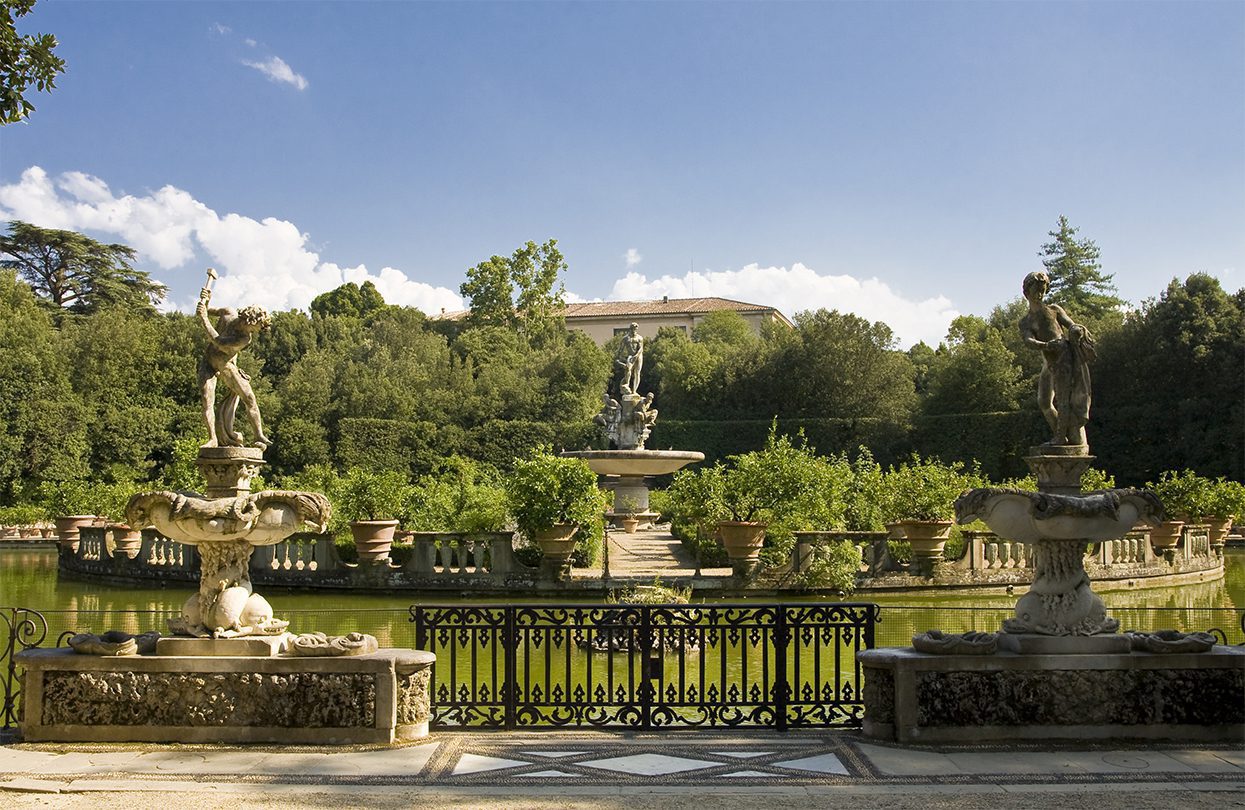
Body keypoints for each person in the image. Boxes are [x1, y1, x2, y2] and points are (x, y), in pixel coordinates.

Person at [1019, 270, 1096, 448]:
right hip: (1049, 360)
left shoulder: (1053, 310)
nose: (1040, 294)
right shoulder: (1026, 321)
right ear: (1026, 293)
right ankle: (1063, 435)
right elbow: (1028, 340)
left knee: (1062, 399)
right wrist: (1045, 346)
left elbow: (1071, 324)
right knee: (1044, 402)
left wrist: (1077, 330)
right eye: (1036, 290)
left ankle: (1061, 439)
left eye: (1043, 290)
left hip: (1063, 357)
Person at [197, 288, 272, 449]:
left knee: (249, 397)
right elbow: (208, 310)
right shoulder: (227, 312)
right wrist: (206, 300)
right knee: (206, 400)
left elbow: (219, 342)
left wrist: (204, 318)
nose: (254, 332)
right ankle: (212, 439)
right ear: (250, 321)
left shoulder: (244, 339)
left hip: (227, 366)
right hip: (209, 363)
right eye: (255, 328)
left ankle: (258, 435)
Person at [617, 322, 644, 395]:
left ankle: (634, 390)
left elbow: (641, 348)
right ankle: (627, 384)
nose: (634, 330)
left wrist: (637, 355)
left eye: (635, 328)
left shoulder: (639, 338)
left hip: (638, 356)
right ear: (630, 328)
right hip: (630, 356)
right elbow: (621, 349)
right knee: (628, 369)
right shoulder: (625, 338)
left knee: (637, 373)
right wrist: (618, 358)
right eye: (632, 328)